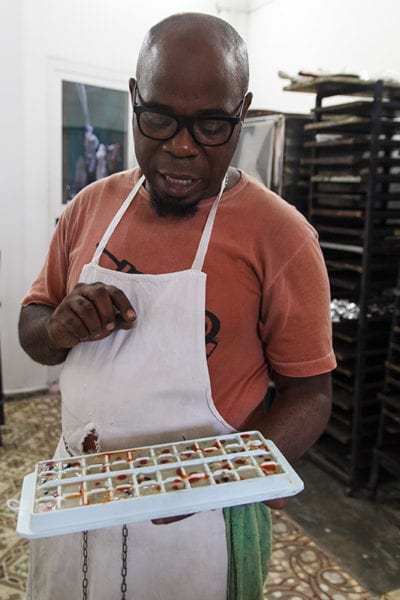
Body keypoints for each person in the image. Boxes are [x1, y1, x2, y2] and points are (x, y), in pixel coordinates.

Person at [18, 12, 336, 600]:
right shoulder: (90, 207)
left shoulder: (281, 238)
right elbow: (32, 327)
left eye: (212, 125)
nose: (182, 147)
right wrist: (60, 325)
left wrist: (211, 482)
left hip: (202, 524)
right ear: (134, 98)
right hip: (81, 497)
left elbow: (310, 393)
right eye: (159, 119)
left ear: (242, 111)